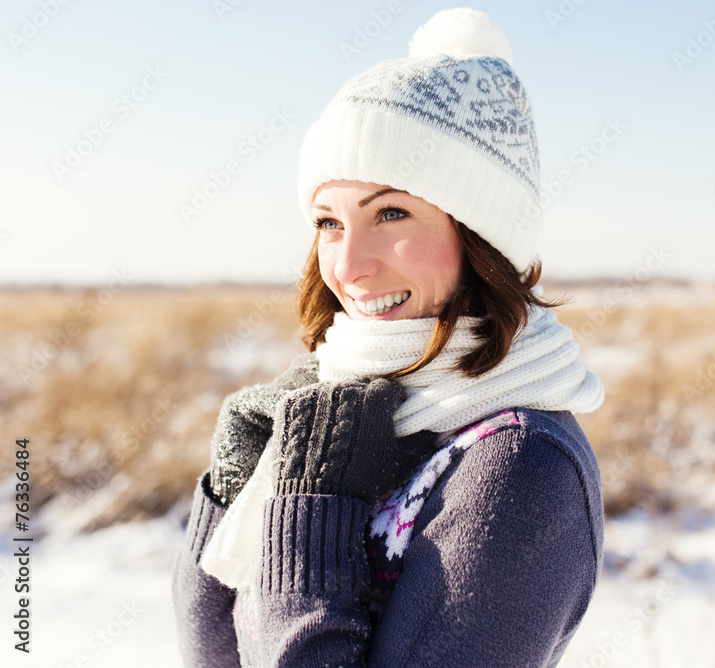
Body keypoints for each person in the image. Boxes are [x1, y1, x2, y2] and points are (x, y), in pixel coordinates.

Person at [171, 8, 605, 667]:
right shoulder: (341, 409)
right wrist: (235, 484)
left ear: (481, 234)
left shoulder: (519, 469)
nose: (347, 266)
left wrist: (313, 508)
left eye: (392, 212)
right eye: (329, 223)